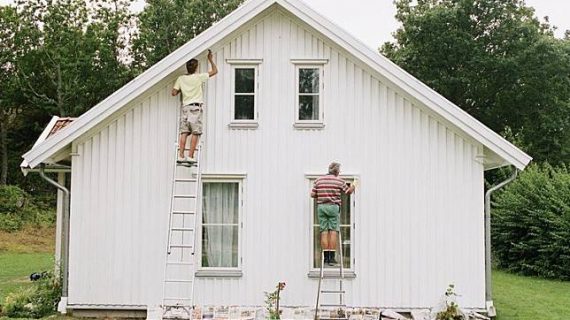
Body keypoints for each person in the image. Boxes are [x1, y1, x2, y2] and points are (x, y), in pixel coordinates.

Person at [171, 50, 218, 162]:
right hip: (195, 108)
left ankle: (181, 155)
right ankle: (190, 156)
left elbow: (173, 92)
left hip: (185, 108)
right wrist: (210, 59)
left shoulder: (181, 79)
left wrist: (181, 90)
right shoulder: (198, 77)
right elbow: (215, 71)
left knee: (184, 132)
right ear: (196, 68)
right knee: (195, 132)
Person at [311, 162, 356, 266]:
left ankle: (325, 258)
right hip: (333, 207)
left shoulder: (318, 180)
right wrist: (354, 185)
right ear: (337, 171)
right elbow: (348, 192)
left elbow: (313, 194)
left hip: (321, 207)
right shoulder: (339, 181)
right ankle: (331, 258)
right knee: (333, 231)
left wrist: (322, 194)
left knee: (324, 231)